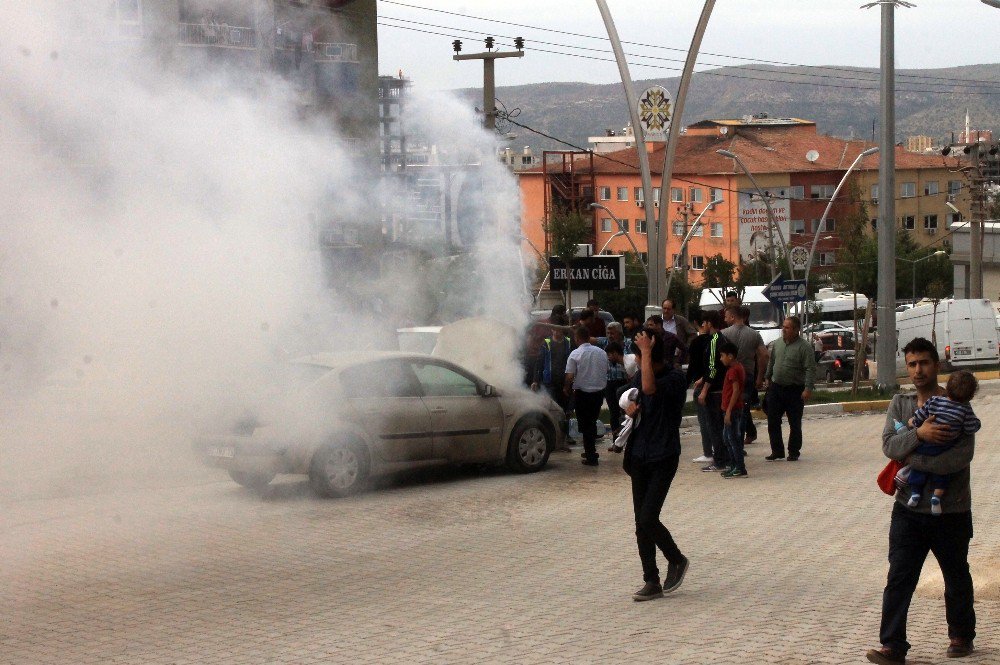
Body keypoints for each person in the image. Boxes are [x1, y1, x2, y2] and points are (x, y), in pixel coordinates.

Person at [867, 338, 977, 665]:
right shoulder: (900, 404)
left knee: (956, 575)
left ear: (936, 366)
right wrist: (920, 435)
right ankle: (892, 647)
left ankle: (961, 635)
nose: (918, 370)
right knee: (899, 577)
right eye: (912, 364)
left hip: (951, 509)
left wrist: (913, 460)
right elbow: (889, 446)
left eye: (924, 363)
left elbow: (959, 458)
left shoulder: (958, 404)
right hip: (908, 510)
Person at [622, 327, 689, 601]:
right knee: (641, 523)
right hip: (639, 455)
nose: (636, 362)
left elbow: (650, 387)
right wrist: (630, 407)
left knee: (649, 517)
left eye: (639, 356)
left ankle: (677, 559)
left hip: (663, 455)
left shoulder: (675, 378)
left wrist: (646, 351)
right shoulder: (641, 372)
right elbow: (636, 393)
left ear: (647, 356)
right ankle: (651, 580)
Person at [898, 370, 981, 515]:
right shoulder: (965, 410)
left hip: (926, 445)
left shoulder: (935, 401)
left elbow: (921, 414)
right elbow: (970, 428)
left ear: (947, 388)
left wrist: (914, 423)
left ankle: (915, 493)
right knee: (943, 475)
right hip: (945, 446)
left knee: (918, 470)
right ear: (971, 396)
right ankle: (936, 497)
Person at [762, 316, 815, 462]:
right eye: (783, 327)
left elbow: (810, 369)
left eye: (787, 327)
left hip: (795, 390)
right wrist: (767, 377)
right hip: (776, 388)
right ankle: (777, 451)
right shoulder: (778, 344)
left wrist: (808, 388)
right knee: (773, 420)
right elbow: (772, 361)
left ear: (796, 330)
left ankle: (793, 451)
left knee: (795, 422)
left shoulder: (804, 347)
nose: (783, 330)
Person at [722, 305, 767, 446]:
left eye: (726, 316)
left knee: (731, 407)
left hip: (729, 375)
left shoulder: (724, 334)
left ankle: (735, 442)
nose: (724, 319)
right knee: (743, 407)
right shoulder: (754, 334)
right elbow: (764, 355)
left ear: (732, 317)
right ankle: (742, 439)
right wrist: (760, 377)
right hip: (747, 375)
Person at [565, 325, 608, 466]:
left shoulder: (575, 354)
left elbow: (570, 376)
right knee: (592, 422)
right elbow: (605, 369)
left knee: (586, 425)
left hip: (582, 394)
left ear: (577, 339)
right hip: (598, 393)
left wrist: (566, 388)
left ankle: (591, 456)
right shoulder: (601, 352)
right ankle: (590, 450)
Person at [531, 316, 574, 451]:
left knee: (566, 411)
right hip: (550, 382)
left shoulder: (568, 342)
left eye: (559, 330)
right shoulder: (546, 343)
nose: (557, 332)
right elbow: (539, 363)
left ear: (563, 330)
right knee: (553, 410)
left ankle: (566, 437)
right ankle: (554, 438)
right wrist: (535, 380)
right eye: (554, 330)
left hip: (565, 382)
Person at [692, 311, 727, 470]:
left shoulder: (714, 341)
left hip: (715, 391)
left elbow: (713, 368)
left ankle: (719, 460)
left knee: (715, 427)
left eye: (704, 323)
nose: (703, 326)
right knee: (721, 426)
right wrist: (702, 379)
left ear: (710, 324)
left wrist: (705, 389)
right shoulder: (723, 339)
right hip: (721, 387)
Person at [718, 340, 747, 478]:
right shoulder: (738, 367)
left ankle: (740, 468)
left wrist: (728, 411)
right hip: (731, 409)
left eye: (722, 355)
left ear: (730, 356)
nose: (721, 358)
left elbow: (735, 391)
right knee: (727, 438)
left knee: (733, 439)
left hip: (732, 410)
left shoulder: (733, 371)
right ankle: (733, 465)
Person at [603, 338, 628, 440]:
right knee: (613, 412)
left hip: (622, 382)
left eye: (609, 354)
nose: (608, 357)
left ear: (615, 353)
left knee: (624, 409)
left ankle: (626, 436)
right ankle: (616, 439)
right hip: (610, 383)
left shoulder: (626, 361)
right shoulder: (608, 361)